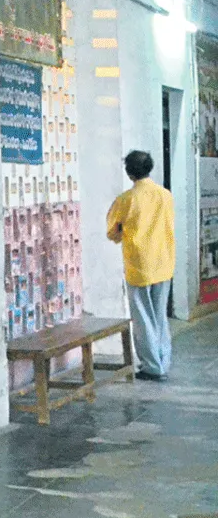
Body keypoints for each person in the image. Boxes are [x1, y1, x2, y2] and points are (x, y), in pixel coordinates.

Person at [106, 151, 175, 381]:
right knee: (159, 316)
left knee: (143, 318)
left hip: (139, 265)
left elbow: (112, 232)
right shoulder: (165, 195)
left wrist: (121, 232)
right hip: (163, 262)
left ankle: (152, 366)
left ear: (129, 172)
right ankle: (163, 361)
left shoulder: (126, 199)